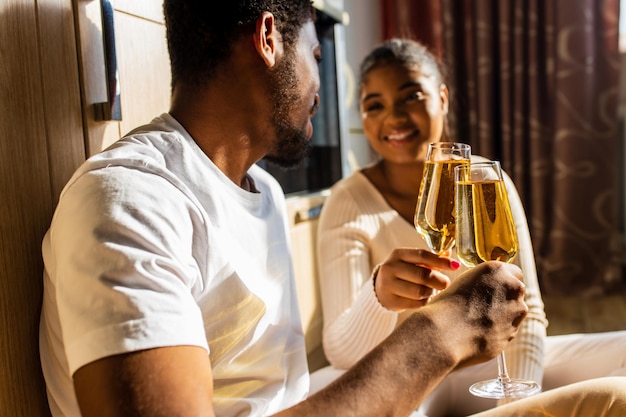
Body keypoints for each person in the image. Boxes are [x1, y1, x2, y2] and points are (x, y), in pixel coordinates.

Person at [37, 3, 625, 417]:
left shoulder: (260, 192)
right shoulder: (129, 200)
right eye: (317, 54)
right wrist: (442, 329)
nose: (324, 83)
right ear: (270, 39)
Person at [315, 38, 626, 416]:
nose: (393, 118)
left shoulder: (485, 182)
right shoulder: (346, 200)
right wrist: (377, 297)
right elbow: (341, 353)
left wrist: (516, 406)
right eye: (374, 105)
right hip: (412, 378)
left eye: (411, 97)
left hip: (488, 366)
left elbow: (526, 308)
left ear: (442, 99)